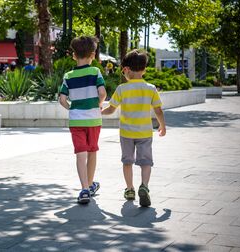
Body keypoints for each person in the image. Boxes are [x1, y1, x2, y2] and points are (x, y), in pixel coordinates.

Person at [102, 49, 166, 207]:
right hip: (144, 132)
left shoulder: (122, 89)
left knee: (127, 162)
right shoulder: (151, 88)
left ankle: (130, 189)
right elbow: (158, 110)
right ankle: (144, 186)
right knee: (146, 162)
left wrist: (99, 113)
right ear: (144, 69)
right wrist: (162, 126)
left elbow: (111, 109)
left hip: (126, 133)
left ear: (126, 69)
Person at [59, 36, 107, 204]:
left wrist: (72, 108)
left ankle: (85, 189)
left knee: (81, 154)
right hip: (94, 120)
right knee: (93, 151)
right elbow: (102, 93)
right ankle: (90, 185)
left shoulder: (68, 75)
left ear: (74, 55)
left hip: (76, 122)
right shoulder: (95, 72)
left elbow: (62, 100)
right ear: (93, 55)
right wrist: (98, 105)